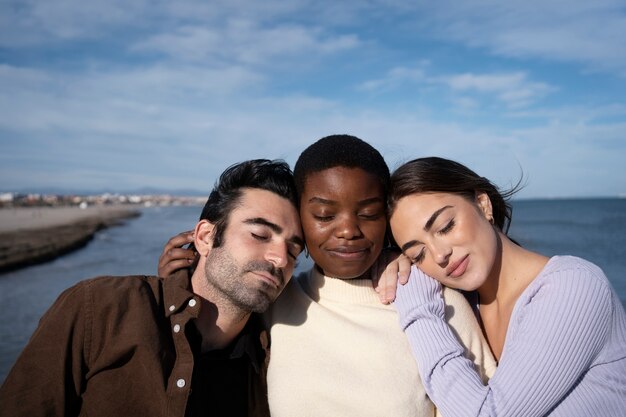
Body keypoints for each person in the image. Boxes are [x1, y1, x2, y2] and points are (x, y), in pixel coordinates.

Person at [159, 135, 497, 416]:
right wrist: (182, 278)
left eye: (368, 213)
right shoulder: (274, 302)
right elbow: (206, 328)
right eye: (324, 214)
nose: (348, 230)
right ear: (299, 220)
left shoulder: (440, 306)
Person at [0, 159, 305, 417]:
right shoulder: (100, 309)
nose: (280, 259)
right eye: (260, 234)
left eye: (293, 250)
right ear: (205, 238)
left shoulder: (273, 368)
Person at [388, 156, 626, 417]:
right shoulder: (462, 307)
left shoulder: (576, 287)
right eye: (419, 254)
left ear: (483, 203)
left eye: (446, 227)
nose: (439, 254)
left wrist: (416, 302)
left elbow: (489, 413)